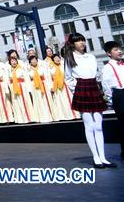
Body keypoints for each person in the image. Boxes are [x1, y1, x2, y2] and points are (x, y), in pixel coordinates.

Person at [63, 33, 114, 168]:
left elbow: (97, 73)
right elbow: (68, 78)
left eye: (83, 40)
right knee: (89, 125)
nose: (82, 43)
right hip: (82, 88)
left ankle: (103, 157)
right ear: (72, 44)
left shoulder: (91, 56)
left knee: (98, 125)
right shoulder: (69, 58)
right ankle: (96, 157)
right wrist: (77, 91)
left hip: (93, 87)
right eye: (78, 41)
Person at [100, 40, 124, 160]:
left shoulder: (123, 64)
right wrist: (111, 100)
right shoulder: (107, 67)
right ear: (109, 53)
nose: (119, 51)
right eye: (115, 49)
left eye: (119, 48)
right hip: (119, 94)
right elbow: (106, 85)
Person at [27, 56, 55, 123]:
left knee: (45, 100)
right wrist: (29, 89)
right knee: (38, 101)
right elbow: (28, 79)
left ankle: (49, 116)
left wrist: (50, 86)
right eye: (32, 60)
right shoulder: (28, 70)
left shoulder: (42, 68)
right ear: (30, 62)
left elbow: (47, 77)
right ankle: (39, 117)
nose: (34, 61)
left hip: (43, 85)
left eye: (35, 59)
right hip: (35, 87)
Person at [7, 55, 33, 124]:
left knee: (24, 102)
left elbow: (26, 78)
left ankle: (28, 117)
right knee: (16, 103)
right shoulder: (10, 71)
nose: (13, 62)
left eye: (15, 61)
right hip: (14, 89)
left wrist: (28, 88)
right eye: (12, 61)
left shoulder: (21, 69)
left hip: (22, 87)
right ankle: (20, 118)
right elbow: (9, 81)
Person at [49, 54, 76, 121]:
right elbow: (50, 78)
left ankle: (72, 114)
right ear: (53, 60)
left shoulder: (64, 66)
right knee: (60, 101)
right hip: (57, 87)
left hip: (65, 85)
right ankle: (62, 115)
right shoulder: (51, 68)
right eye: (55, 58)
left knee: (68, 100)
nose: (57, 59)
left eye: (58, 58)